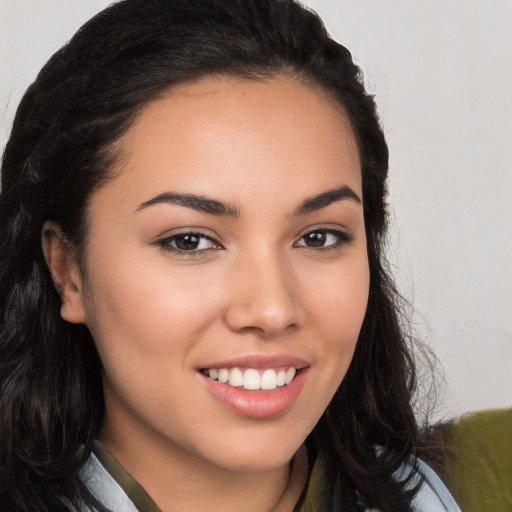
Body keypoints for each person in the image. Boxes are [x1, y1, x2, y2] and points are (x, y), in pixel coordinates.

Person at [0, 0, 461, 510]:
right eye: (190, 241)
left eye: (319, 236)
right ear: (68, 270)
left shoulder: (487, 480)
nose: (272, 310)